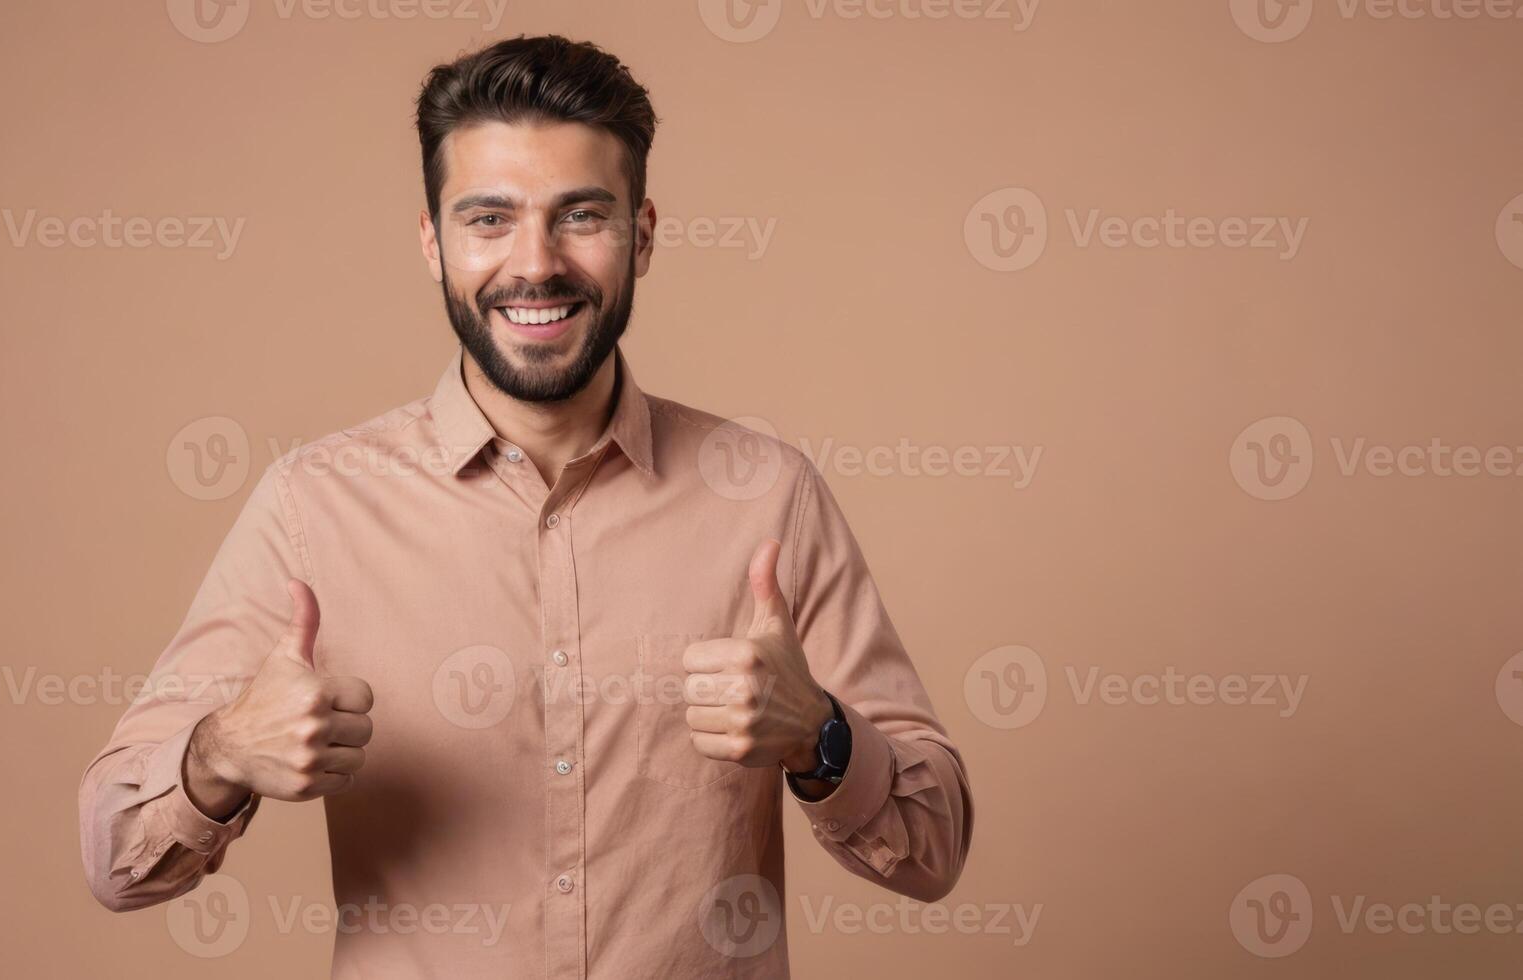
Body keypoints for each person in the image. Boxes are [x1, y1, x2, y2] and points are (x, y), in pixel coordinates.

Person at [79, 33, 972, 978]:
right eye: (488, 219)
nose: (535, 263)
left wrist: (819, 735)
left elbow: (932, 848)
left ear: (644, 231)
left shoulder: (768, 496)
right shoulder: (314, 507)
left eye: (581, 214)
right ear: (433, 241)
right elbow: (115, 862)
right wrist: (217, 756)